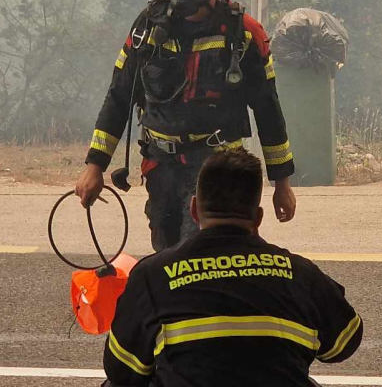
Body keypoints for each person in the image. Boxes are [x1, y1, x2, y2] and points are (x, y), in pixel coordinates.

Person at [75, 0, 296, 251]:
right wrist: (95, 167)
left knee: (203, 254)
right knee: (165, 255)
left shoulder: (243, 34)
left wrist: (282, 183)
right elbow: (118, 98)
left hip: (217, 170)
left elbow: (268, 111)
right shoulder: (146, 29)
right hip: (160, 167)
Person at [101, 148, 363, 387]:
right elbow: (343, 345)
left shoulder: (152, 275)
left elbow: (122, 371)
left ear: (194, 210)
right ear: (258, 218)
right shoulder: (302, 275)